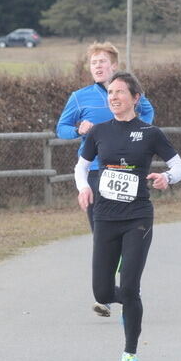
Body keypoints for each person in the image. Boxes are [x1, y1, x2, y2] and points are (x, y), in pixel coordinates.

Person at [74, 71, 181, 361]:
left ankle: (129, 353)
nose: (113, 97)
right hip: (105, 216)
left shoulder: (150, 132)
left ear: (136, 98)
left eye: (120, 92)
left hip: (137, 217)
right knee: (101, 291)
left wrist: (167, 178)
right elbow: (81, 167)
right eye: (110, 92)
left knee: (129, 285)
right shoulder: (98, 132)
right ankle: (128, 299)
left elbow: (180, 167)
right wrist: (83, 188)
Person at [56, 42, 154, 318]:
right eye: (93, 63)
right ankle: (109, 292)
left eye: (102, 62)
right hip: (95, 172)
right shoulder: (79, 97)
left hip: (126, 171)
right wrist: (78, 128)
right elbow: (60, 129)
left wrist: (131, 132)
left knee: (125, 231)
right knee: (101, 233)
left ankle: (124, 285)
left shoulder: (131, 94)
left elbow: (148, 117)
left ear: (114, 66)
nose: (97, 67)